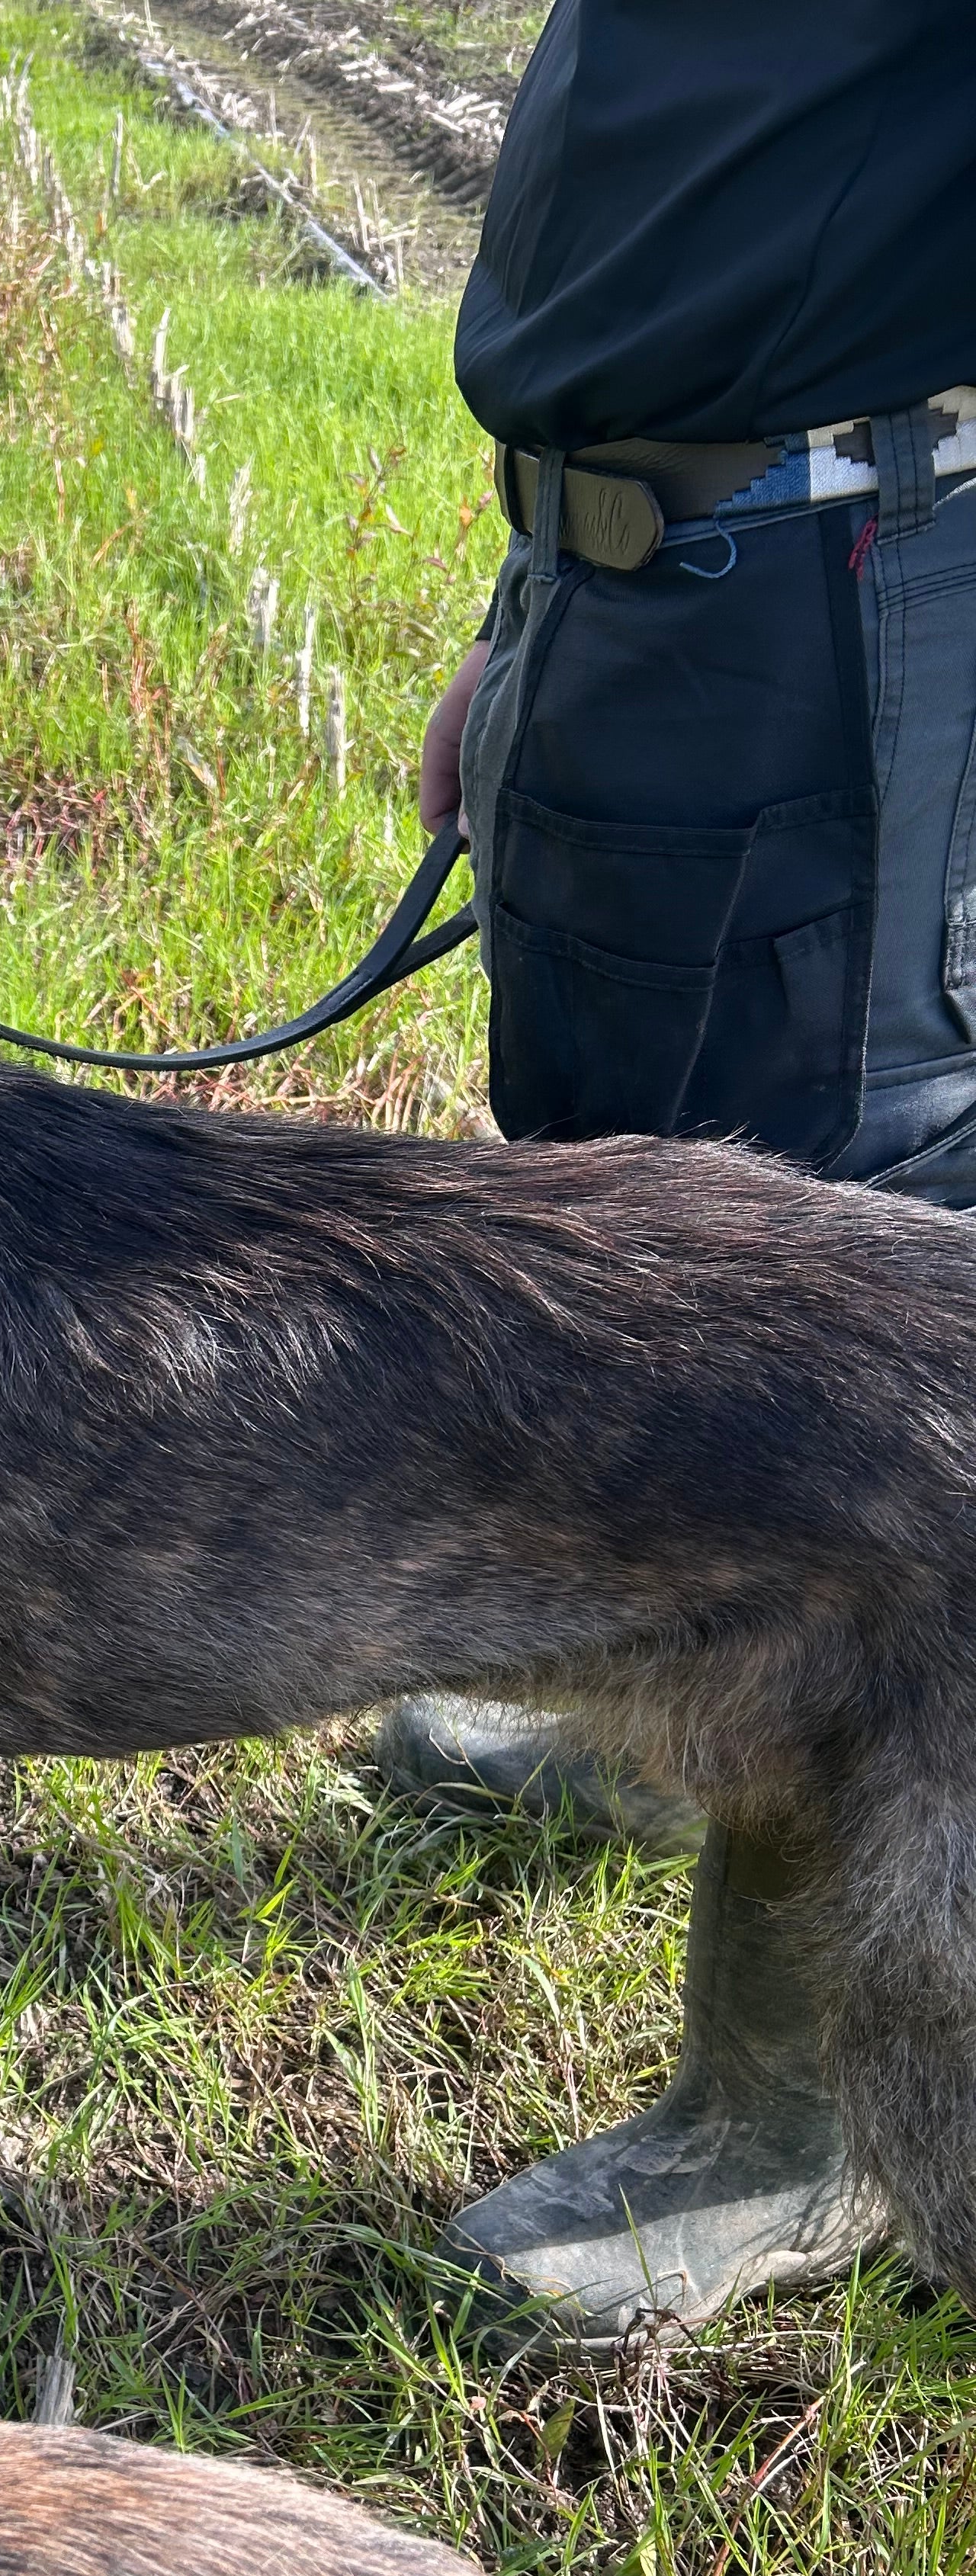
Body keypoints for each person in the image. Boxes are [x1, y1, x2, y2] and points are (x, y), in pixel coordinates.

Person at [380, 0, 976, 2342]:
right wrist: (529, 608)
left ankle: (798, 2110)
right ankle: (638, 1690)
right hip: (646, 585)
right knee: (616, 1218)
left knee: (813, 1382)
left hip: (831, 609)